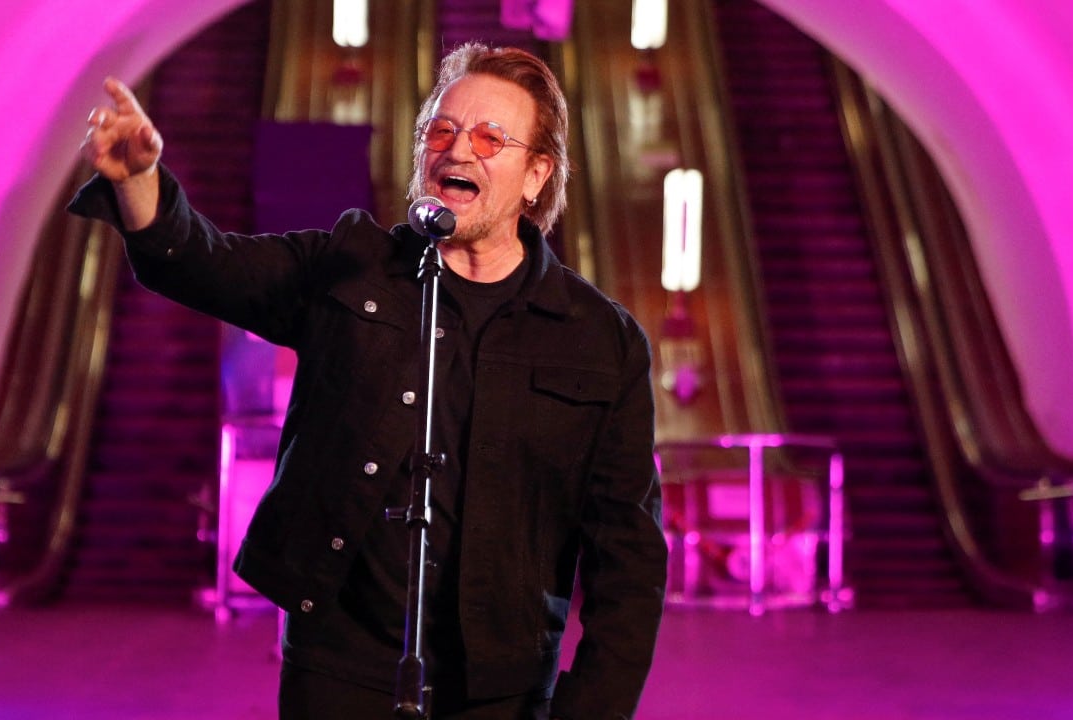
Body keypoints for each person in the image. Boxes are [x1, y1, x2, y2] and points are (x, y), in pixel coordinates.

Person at [70, 42, 667, 720]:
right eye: (440, 130)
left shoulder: (600, 341)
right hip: (340, 669)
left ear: (536, 175)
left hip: (502, 687)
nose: (457, 150)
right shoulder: (352, 266)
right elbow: (205, 263)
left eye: (488, 137)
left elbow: (629, 561)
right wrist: (138, 183)